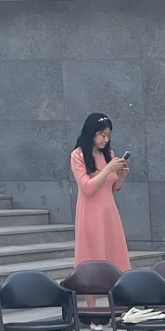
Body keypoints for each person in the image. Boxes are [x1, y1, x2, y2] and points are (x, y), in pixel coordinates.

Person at [72, 114, 131, 274]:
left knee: (114, 252)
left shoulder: (108, 154)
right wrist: (108, 168)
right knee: (92, 254)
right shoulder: (78, 155)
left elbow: (112, 188)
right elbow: (87, 187)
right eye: (102, 135)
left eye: (108, 136)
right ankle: (92, 288)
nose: (106, 140)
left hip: (109, 212)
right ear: (92, 133)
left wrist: (121, 176)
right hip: (90, 213)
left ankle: (116, 287)